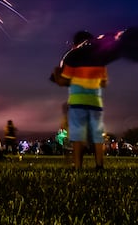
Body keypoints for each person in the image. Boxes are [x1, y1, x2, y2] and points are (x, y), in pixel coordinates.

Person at [50, 30, 109, 170]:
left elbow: (63, 81)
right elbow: (103, 82)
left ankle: (78, 166)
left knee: (77, 135)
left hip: (77, 102)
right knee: (97, 134)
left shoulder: (72, 57)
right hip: (95, 101)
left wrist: (56, 74)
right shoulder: (99, 59)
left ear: (76, 43)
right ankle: (99, 165)